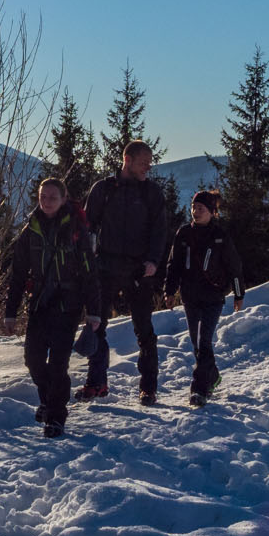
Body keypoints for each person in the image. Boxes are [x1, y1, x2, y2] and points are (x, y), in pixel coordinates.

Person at [3, 177, 102, 438]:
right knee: (33, 360)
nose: (46, 202)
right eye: (42, 197)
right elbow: (18, 275)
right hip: (40, 304)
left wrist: (94, 310)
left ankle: (56, 416)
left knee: (58, 364)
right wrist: (10, 312)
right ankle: (49, 398)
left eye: (52, 198)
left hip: (68, 305)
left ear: (63, 199)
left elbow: (89, 272)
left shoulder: (76, 230)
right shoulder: (30, 230)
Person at [81, 140, 171, 405]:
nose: (148, 167)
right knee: (96, 325)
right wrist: (87, 261)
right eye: (144, 162)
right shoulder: (103, 189)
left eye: (150, 162)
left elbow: (160, 231)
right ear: (127, 160)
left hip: (139, 269)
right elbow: (88, 227)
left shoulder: (151, 193)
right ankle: (96, 382)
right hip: (104, 267)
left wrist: (154, 261)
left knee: (144, 330)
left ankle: (148, 387)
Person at [164, 189, 245, 407]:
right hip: (190, 297)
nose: (195, 212)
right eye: (193, 208)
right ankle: (213, 375)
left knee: (204, 340)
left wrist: (239, 294)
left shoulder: (220, 237)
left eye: (201, 209)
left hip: (213, 297)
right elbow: (174, 265)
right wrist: (169, 291)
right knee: (196, 343)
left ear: (212, 212)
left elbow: (234, 267)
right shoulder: (183, 234)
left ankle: (198, 390)